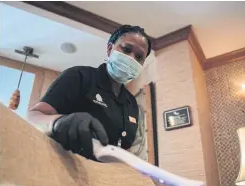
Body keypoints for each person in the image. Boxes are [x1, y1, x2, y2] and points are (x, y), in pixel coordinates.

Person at [28, 25, 152, 160]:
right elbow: (34, 116)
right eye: (126, 49)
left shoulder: (131, 103)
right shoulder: (79, 76)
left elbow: (125, 149)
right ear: (110, 49)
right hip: (66, 170)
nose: (132, 58)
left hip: (107, 178)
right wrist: (58, 123)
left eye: (139, 57)